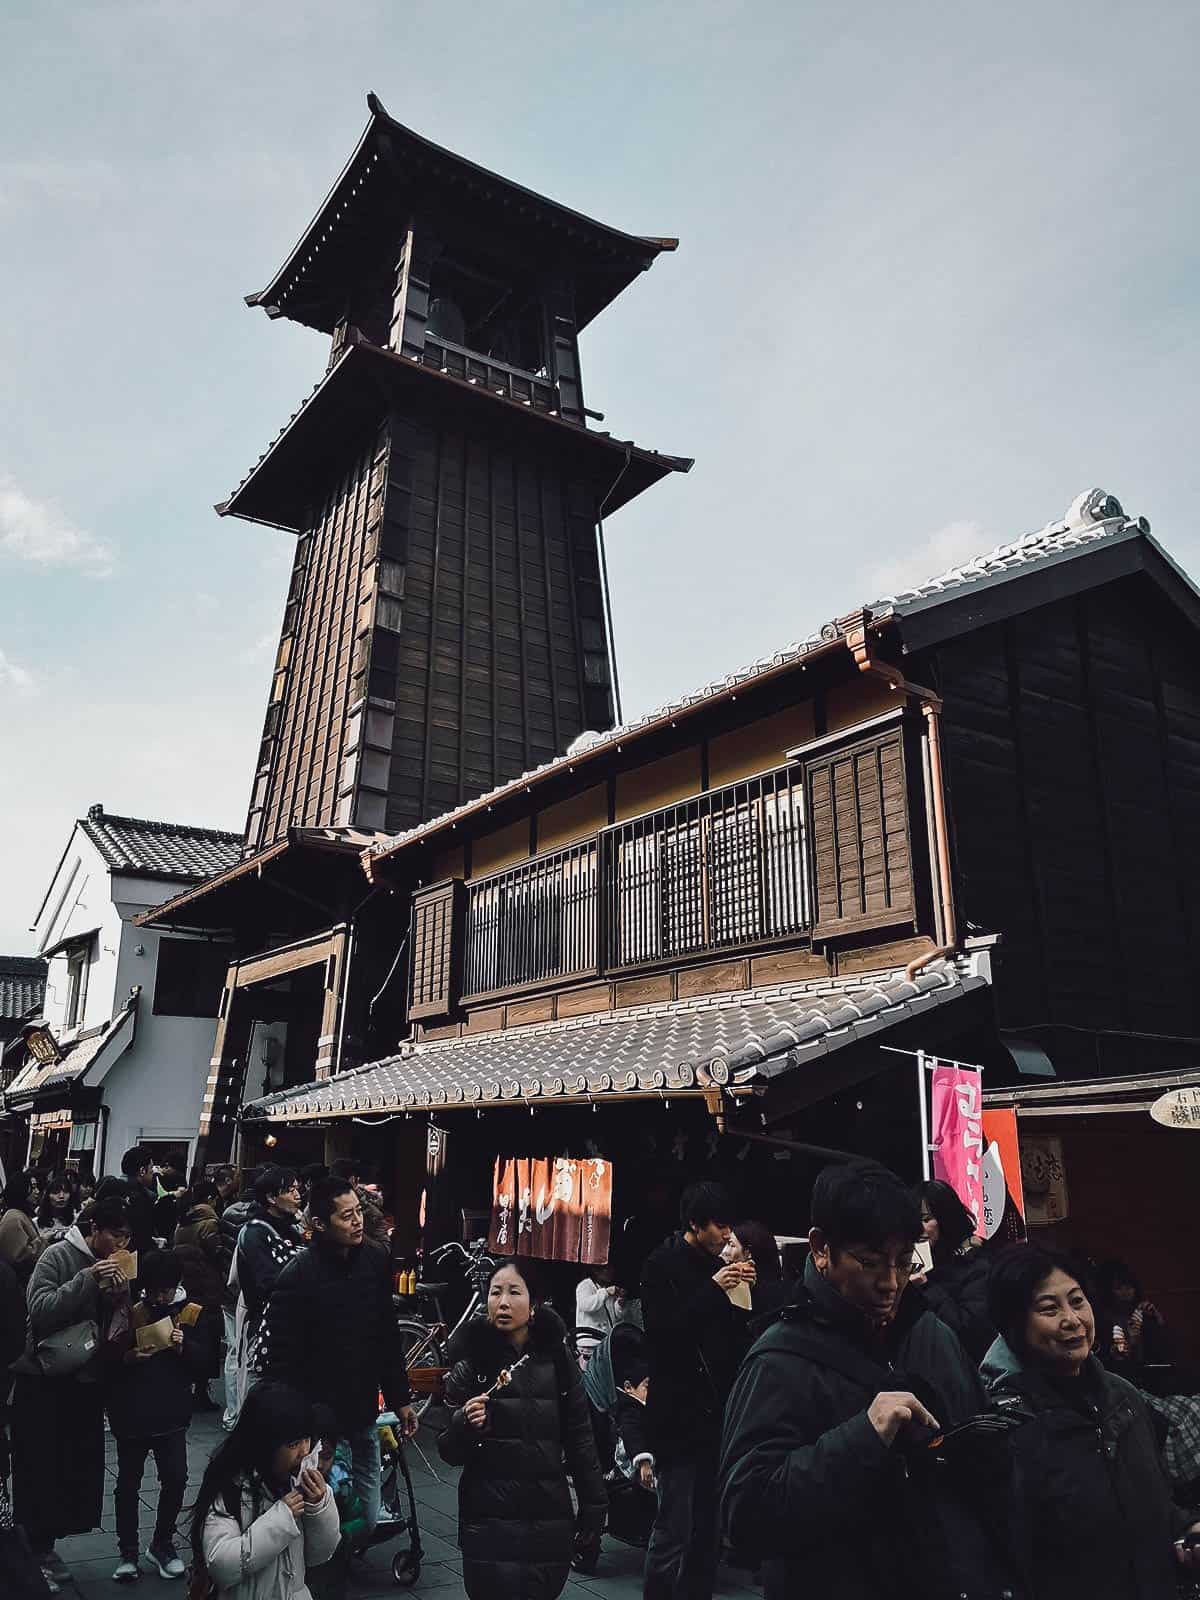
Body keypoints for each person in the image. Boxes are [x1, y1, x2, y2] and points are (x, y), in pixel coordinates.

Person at [720, 1162, 1001, 1600]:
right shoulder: (779, 1357)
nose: (890, 1283)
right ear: (820, 1248)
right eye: (869, 1263)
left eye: (904, 1263)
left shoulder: (933, 1336)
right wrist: (863, 1437)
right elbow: (746, 1515)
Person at [982, 1244, 1197, 1597]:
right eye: (1050, 1309)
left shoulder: (1123, 1397)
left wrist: (1189, 1532)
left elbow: (1157, 1509)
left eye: (1078, 1301)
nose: (1072, 1319)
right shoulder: (1005, 1424)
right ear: (1013, 1325)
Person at [258, 1176, 416, 1543]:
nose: (357, 1222)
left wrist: (400, 1399)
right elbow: (282, 1358)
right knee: (318, 1511)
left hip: (362, 1408)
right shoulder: (297, 1275)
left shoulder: (375, 1259)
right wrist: (298, 1421)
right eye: (347, 1217)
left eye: (359, 1212)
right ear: (320, 1224)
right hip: (316, 1417)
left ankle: (343, 1554)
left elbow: (387, 1336)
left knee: (368, 1510)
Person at [438, 1258, 607, 1600]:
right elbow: (449, 1451)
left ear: (534, 1305)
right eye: (495, 1292)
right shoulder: (472, 1365)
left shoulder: (558, 1361)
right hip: (488, 1515)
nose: (502, 1302)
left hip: (546, 1511)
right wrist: (464, 1425)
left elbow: (580, 1437)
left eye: (514, 1292)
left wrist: (594, 1504)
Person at [11, 1195, 133, 1593]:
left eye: (126, 1237)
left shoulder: (119, 1261)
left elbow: (116, 1324)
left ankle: (47, 1544)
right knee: (39, 1468)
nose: (121, 1244)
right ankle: (33, 1548)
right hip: (45, 1381)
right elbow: (40, 1310)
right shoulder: (57, 1255)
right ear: (94, 1229)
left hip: (86, 1382)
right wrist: (87, 1280)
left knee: (73, 1469)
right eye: (115, 1235)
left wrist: (120, 1296)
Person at [640, 1179, 753, 1600]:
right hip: (677, 1418)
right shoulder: (660, 1266)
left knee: (708, 1532)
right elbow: (664, 1336)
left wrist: (747, 1290)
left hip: (716, 1416)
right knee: (675, 1529)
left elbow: (733, 1337)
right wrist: (714, 1289)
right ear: (694, 1223)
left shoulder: (717, 1267)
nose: (726, 1235)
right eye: (720, 1226)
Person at [103, 1247, 210, 1581]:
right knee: (128, 1484)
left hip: (172, 1412)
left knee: (176, 1479)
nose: (160, 1296)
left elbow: (206, 1364)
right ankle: (128, 1552)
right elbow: (110, 1359)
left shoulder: (190, 1312)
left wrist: (183, 1347)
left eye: (166, 1289)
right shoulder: (130, 1312)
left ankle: (163, 1542)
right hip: (132, 1412)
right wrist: (129, 1358)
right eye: (154, 1289)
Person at [192, 1381, 340, 1600]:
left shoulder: (296, 1484)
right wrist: (280, 1520)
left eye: (307, 1439)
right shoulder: (232, 1489)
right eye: (293, 1444)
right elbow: (221, 1565)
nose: (304, 1451)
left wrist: (320, 1507)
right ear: (264, 1443)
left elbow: (319, 1555)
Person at [234, 1167, 303, 1412]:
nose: (298, 1195)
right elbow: (269, 1282)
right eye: (290, 1190)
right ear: (272, 1198)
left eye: (297, 1188)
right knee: (264, 1407)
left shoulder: (292, 1230)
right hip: (266, 1331)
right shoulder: (255, 1232)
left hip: (294, 1333)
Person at [914, 1178, 994, 1362]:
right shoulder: (914, 1263)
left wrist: (926, 1288)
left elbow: (970, 1332)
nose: (919, 1228)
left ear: (946, 1219)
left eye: (926, 1219)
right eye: (913, 1220)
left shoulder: (976, 1264)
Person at [173, 1178, 229, 1412]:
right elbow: (218, 1254)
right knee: (207, 1341)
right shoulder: (209, 1224)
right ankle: (201, 1392)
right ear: (211, 1200)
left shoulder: (182, 1223)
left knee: (190, 1336)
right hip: (208, 1289)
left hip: (187, 1289)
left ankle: (186, 1388)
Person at [1093, 1257, 1172, 1378]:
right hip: (1120, 1377)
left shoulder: (1143, 1314)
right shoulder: (1103, 1321)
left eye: (1129, 1287)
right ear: (1109, 1291)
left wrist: (1158, 1319)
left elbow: (1163, 1352)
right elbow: (1108, 1359)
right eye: (1119, 1288)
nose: (1126, 1292)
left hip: (1149, 1375)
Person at [219, 1171, 256, 1430]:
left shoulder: (228, 1212)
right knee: (244, 1356)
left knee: (234, 1353)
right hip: (246, 1297)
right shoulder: (257, 1225)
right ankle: (242, 1414)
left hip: (230, 1293)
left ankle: (232, 1414)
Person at [726, 1219, 792, 1325]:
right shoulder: (786, 1287)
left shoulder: (743, 1291)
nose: (725, 1251)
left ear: (748, 1252)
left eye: (731, 1245)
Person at [328, 1159, 388, 1245]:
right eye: (347, 1215)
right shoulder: (320, 1202)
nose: (357, 1221)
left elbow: (384, 1249)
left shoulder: (372, 1211)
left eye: (358, 1211)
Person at [0, 1172, 45, 1281]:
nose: (37, 1192)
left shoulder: (21, 1215)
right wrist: (43, 1240)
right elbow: (21, 1257)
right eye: (32, 1188)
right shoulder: (13, 1218)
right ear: (21, 1190)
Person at [115, 1145, 159, 1256]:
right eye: (151, 1168)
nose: (153, 1172)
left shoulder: (111, 1187)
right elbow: (142, 1237)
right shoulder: (141, 1198)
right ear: (142, 1171)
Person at [576, 1267, 623, 1366]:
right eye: (607, 1269)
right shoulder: (585, 1285)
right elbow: (586, 1305)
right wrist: (605, 1293)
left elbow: (616, 1316)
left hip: (604, 1342)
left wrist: (619, 1304)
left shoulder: (607, 1288)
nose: (611, 1272)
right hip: (590, 1343)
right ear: (596, 1271)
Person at [35, 1171, 78, 1240]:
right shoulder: (36, 1223)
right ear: (48, 1195)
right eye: (56, 1192)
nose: (61, 1196)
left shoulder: (76, 1221)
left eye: (66, 1191)